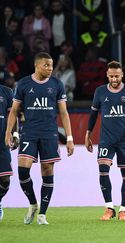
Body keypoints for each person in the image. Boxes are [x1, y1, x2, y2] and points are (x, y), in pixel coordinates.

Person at [5, 52, 74, 225]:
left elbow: (64, 113)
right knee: (22, 170)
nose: (50, 68)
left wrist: (70, 137)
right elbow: (14, 110)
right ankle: (32, 203)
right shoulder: (24, 83)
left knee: (47, 171)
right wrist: (8, 132)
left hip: (49, 134)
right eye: (46, 65)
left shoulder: (57, 84)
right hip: (29, 132)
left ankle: (42, 213)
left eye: (51, 65)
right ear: (37, 65)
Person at [85, 61, 125, 221]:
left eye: (117, 76)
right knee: (103, 170)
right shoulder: (100, 92)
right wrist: (87, 134)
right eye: (111, 76)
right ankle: (109, 208)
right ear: (107, 75)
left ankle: (123, 210)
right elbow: (93, 115)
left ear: (122, 75)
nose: (114, 79)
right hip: (106, 140)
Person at [0, 83, 19, 221]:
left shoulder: (6, 91)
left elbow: (13, 113)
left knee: (5, 179)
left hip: (2, 143)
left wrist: (16, 134)